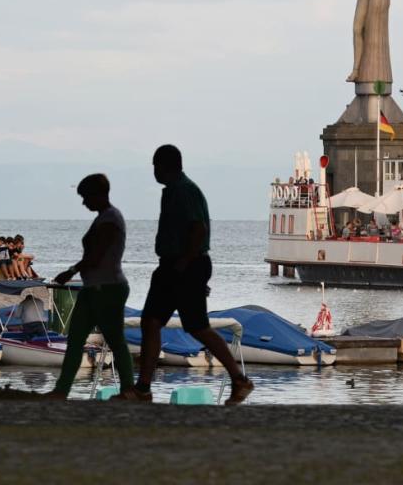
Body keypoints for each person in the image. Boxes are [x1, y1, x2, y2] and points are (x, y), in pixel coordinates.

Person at [135, 145, 253, 405]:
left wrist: (184, 264)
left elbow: (198, 228)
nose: (154, 171)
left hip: (182, 265)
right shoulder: (177, 191)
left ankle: (239, 379)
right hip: (176, 265)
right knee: (153, 322)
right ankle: (142, 388)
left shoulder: (182, 191)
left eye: (156, 166)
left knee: (195, 326)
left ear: (166, 166)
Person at [48, 173, 135, 400]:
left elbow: (97, 255)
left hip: (108, 288)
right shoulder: (103, 218)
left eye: (86, 197)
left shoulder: (111, 219)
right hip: (92, 288)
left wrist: (71, 271)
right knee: (75, 339)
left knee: (115, 339)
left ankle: (128, 389)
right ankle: (61, 390)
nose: (84, 202)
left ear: (98, 194)